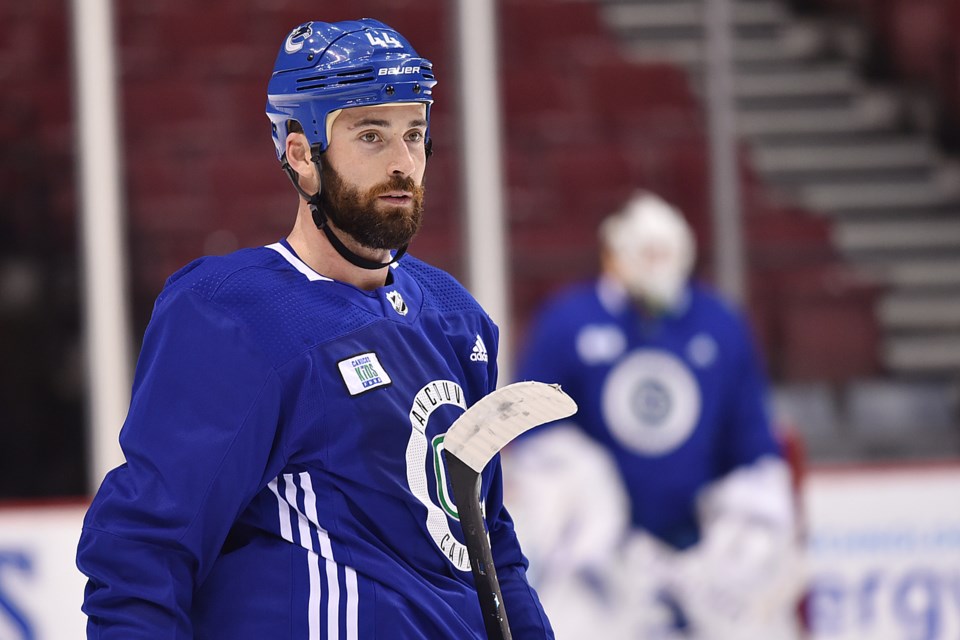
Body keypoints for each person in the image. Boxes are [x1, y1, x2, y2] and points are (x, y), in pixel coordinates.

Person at [76, 19, 554, 639]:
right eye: (371, 136)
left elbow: (487, 544)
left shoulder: (454, 317)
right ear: (302, 153)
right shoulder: (236, 317)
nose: (403, 163)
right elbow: (146, 546)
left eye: (414, 133)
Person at [504, 191, 804, 639]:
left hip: (699, 557)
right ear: (614, 253)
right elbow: (531, 431)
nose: (657, 264)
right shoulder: (567, 321)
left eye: (666, 252)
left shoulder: (719, 323)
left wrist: (745, 529)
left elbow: (750, 444)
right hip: (600, 568)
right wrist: (586, 514)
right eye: (646, 252)